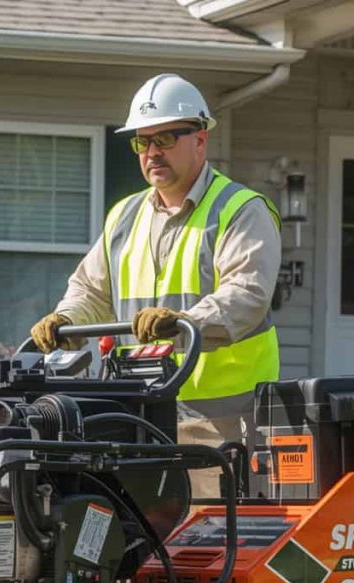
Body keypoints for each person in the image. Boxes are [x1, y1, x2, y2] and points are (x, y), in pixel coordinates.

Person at [30, 73, 282, 463]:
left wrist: (185, 322)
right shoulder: (124, 216)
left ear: (200, 139)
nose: (151, 152)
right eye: (141, 142)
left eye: (164, 139)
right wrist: (66, 320)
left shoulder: (241, 210)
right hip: (142, 415)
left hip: (225, 423)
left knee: (209, 524)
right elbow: (91, 290)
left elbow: (246, 296)